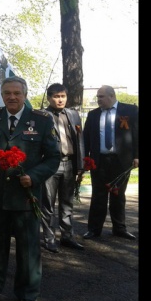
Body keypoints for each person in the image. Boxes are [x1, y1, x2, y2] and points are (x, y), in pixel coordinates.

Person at [0, 76, 60, 301]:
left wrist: (34, 176)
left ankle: (27, 293)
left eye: (16, 93)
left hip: (26, 196)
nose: (12, 97)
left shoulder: (42, 120)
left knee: (28, 247)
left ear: (25, 95)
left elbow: (53, 157)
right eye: (7, 93)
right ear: (2, 95)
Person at [82, 85, 138, 241]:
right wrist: (85, 158)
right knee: (98, 196)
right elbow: (86, 138)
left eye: (101, 96)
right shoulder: (93, 114)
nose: (98, 99)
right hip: (98, 161)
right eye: (97, 97)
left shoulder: (130, 110)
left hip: (121, 161)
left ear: (111, 96)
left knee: (118, 195)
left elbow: (136, 133)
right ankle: (94, 229)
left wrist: (137, 156)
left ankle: (119, 228)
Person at [40, 83, 85, 253]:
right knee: (48, 204)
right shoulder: (41, 116)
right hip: (49, 165)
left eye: (63, 96)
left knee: (67, 203)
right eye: (56, 97)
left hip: (70, 164)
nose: (60, 100)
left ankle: (67, 236)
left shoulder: (73, 114)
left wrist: (81, 165)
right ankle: (49, 238)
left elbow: (79, 140)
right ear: (49, 98)